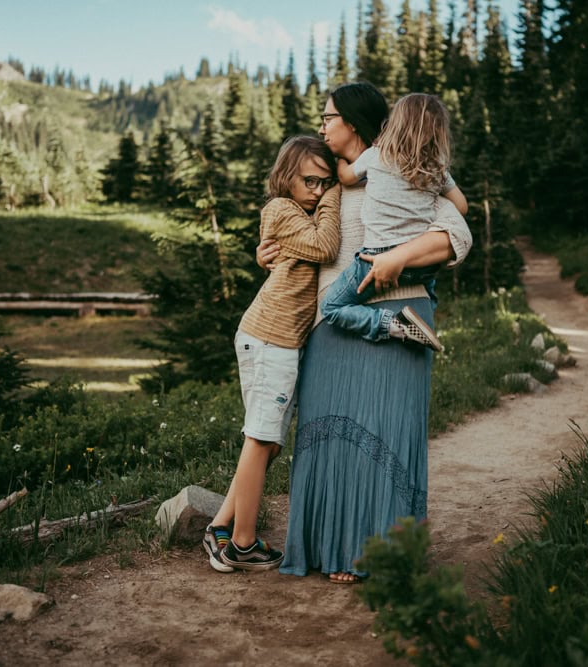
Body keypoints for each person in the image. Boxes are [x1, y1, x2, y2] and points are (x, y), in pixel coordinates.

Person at [269, 83, 472, 583]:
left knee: (385, 438)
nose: (322, 125)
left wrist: (398, 258)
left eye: (328, 116)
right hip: (330, 326)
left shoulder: (409, 171)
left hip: (402, 316)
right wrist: (269, 251)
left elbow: (458, 233)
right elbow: (294, 235)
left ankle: (376, 554)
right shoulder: (327, 185)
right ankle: (326, 547)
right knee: (329, 441)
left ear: (353, 124)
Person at [202, 136, 341, 573]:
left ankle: (220, 526)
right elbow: (325, 248)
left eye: (325, 182)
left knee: (267, 444)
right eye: (311, 181)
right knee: (261, 438)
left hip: (277, 341)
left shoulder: (298, 213)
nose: (318, 189)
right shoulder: (281, 208)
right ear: (286, 177)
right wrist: (337, 197)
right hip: (269, 339)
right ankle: (241, 545)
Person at [320, 93, 468, 352]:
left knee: (332, 307)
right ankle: (426, 320)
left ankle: (392, 324)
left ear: (395, 124)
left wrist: (341, 161)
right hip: (421, 265)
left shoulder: (376, 156)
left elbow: (345, 177)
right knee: (428, 290)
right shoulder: (436, 169)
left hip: (377, 259)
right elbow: (462, 206)